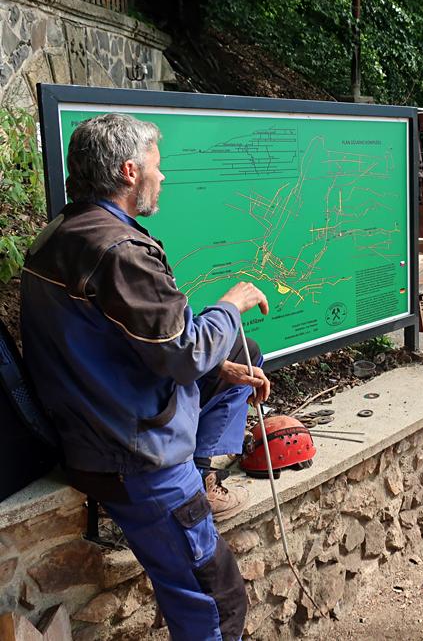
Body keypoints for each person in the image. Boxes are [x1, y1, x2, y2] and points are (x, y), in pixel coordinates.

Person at [20, 113, 272, 641]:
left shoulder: (60, 233)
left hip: (92, 420)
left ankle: (203, 469)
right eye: (158, 167)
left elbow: (104, 342)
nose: (164, 177)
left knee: (238, 361)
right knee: (217, 602)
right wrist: (232, 302)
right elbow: (184, 353)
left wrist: (219, 366)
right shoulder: (119, 252)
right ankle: (190, 481)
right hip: (135, 458)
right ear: (130, 171)